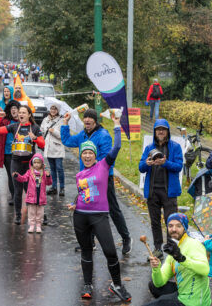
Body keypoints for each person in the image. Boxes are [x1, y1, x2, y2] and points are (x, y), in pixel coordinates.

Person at [68, 114, 131, 302]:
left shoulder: (104, 165)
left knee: (110, 251)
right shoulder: (80, 174)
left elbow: (117, 146)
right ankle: (88, 284)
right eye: (84, 153)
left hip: (99, 216)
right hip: (80, 216)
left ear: (95, 155)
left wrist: (117, 125)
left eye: (90, 153)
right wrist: (74, 203)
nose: (87, 156)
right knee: (86, 251)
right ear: (81, 155)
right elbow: (83, 193)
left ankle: (117, 284)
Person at [62, 108, 132, 254]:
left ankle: (126, 238)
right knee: (87, 207)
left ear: (95, 121)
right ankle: (89, 242)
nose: (87, 120)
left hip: (103, 178)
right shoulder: (82, 135)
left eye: (90, 118)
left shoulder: (103, 135)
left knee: (113, 209)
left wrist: (94, 169)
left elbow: (108, 160)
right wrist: (65, 123)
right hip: (85, 179)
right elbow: (67, 140)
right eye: (85, 118)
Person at [139, 119, 183, 260]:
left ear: (168, 131)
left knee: (171, 222)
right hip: (152, 191)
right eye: (158, 129)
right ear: (155, 132)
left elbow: (178, 167)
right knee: (155, 221)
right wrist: (146, 163)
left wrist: (165, 163)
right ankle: (158, 248)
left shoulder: (175, 147)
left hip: (169, 192)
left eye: (163, 129)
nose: (161, 132)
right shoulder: (149, 148)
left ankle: (171, 248)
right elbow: (141, 167)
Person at [146, 213, 211, 306]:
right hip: (183, 290)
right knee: (153, 285)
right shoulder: (174, 249)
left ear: (184, 228)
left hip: (194, 301)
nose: (174, 229)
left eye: (178, 226)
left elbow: (205, 270)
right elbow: (159, 283)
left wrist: (181, 258)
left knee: (158, 302)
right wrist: (156, 268)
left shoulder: (194, 244)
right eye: (170, 226)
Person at [0, 105, 45, 224]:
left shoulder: (35, 127)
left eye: (24, 112)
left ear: (29, 115)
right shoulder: (14, 126)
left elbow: (42, 145)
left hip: (30, 164)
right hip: (15, 162)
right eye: (20, 112)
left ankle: (41, 214)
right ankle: (18, 215)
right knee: (17, 190)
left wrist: (35, 138)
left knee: (31, 190)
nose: (21, 114)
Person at [0, 99, 20, 199]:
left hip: (19, 153)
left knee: (18, 175)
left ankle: (19, 196)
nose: (13, 110)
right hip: (7, 153)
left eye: (15, 108)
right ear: (9, 110)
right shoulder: (5, 121)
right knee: (11, 175)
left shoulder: (22, 121)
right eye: (11, 108)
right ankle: (14, 196)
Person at [13, 153, 52, 233]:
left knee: (40, 213)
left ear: (42, 163)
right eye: (35, 163)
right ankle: (31, 225)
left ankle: (38, 226)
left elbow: (49, 183)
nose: (37, 164)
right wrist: (18, 176)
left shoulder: (44, 173)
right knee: (31, 212)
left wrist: (48, 176)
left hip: (41, 197)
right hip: (31, 196)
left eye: (38, 163)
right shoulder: (29, 172)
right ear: (32, 163)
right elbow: (23, 179)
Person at [40, 103, 65, 196]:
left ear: (58, 110)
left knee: (59, 168)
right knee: (52, 169)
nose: (53, 110)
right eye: (51, 108)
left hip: (57, 148)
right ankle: (54, 187)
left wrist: (53, 131)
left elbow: (63, 136)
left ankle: (62, 188)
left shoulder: (61, 120)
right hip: (49, 148)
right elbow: (41, 131)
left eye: (55, 109)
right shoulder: (45, 120)